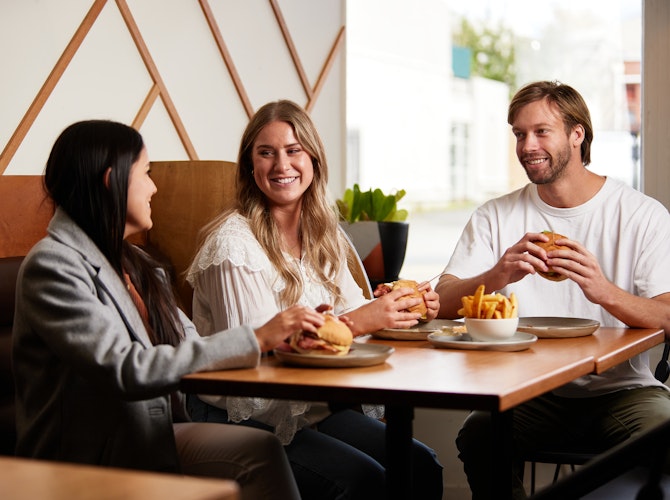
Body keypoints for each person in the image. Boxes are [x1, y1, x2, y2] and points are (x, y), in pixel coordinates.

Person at [11, 119, 338, 500]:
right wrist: (256, 336)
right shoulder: (52, 266)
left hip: (149, 432)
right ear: (110, 180)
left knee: (263, 447)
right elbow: (123, 368)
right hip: (86, 454)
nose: (154, 187)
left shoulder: (136, 262)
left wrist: (277, 345)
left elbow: (189, 342)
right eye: (145, 174)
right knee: (267, 451)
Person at [186, 99, 444, 499]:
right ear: (249, 166)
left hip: (307, 408)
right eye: (266, 153)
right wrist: (359, 322)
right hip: (241, 414)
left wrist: (402, 308)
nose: (281, 165)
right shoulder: (233, 245)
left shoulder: (327, 235)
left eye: (293, 151)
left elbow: (356, 318)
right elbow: (254, 358)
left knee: (421, 465)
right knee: (364, 483)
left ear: (314, 160)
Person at [435, 80, 670, 499]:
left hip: (623, 391)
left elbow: (667, 317)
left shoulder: (641, 215)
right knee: (479, 435)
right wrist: (498, 274)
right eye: (519, 134)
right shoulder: (495, 216)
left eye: (541, 131)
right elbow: (440, 304)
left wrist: (602, 291)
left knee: (662, 437)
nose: (528, 146)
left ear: (576, 134)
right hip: (528, 392)